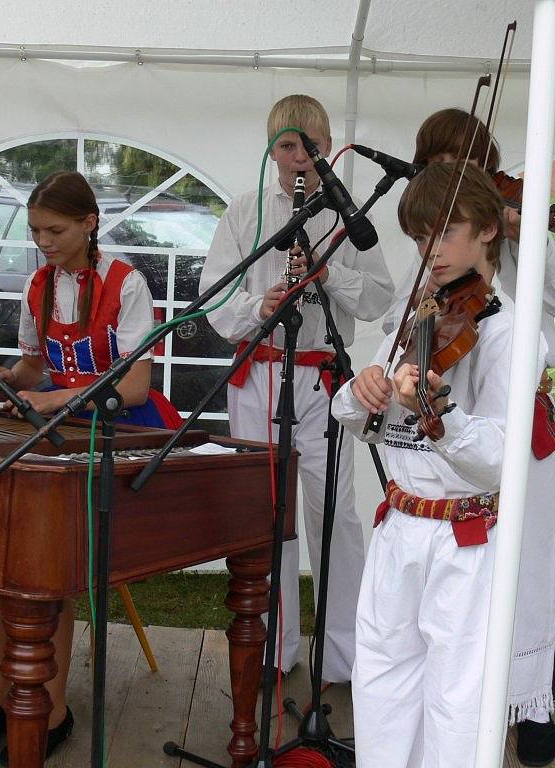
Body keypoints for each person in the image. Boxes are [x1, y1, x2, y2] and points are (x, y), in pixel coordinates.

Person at [332, 161, 547, 768]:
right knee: (381, 684)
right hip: (399, 525)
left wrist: (441, 416)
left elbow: (501, 461)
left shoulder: (513, 333)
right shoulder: (421, 313)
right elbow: (359, 417)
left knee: (458, 705)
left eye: (444, 232)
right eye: (420, 237)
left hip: (466, 537)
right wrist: (364, 390)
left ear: (486, 230)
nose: (430, 251)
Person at [0, 170, 181, 765]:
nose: (42, 240)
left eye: (55, 229)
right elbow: (35, 369)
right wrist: (7, 382)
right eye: (37, 230)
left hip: (122, 428)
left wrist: (55, 400)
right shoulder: (38, 285)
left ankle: (51, 708)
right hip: (59, 424)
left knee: (44, 561)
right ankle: (2, 697)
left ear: (90, 223)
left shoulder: (127, 283)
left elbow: (138, 386)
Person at [199, 94, 394, 683]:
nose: (299, 158)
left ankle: (344, 659)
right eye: (288, 146)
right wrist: (262, 304)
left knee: (335, 517)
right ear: (271, 150)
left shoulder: (345, 215)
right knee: (266, 516)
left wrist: (328, 273)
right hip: (259, 374)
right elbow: (212, 299)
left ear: (328, 148)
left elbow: (382, 296)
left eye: (311, 147)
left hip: (320, 377)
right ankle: (273, 651)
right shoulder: (244, 212)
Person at [403, 107, 555, 767]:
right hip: (458, 429)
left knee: (534, 562)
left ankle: (531, 707)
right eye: (436, 171)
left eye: (461, 173)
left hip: (533, 392)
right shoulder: (445, 264)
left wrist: (529, 234)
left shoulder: (524, 217)